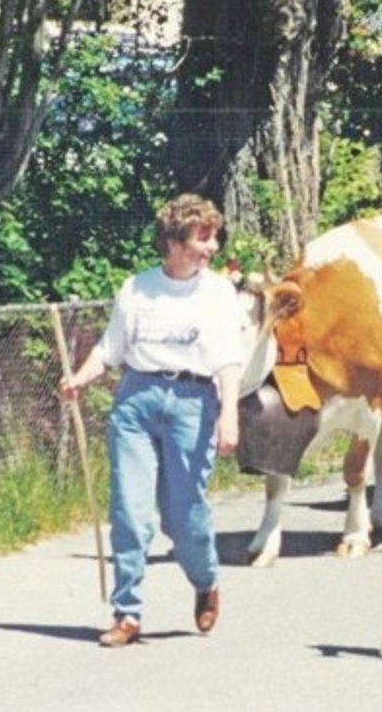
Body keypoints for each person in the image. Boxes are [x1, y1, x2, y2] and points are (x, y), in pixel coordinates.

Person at [60, 193, 244, 647]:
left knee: (183, 519)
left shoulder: (219, 291)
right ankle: (127, 612)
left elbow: (228, 360)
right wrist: (79, 378)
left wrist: (230, 417)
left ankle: (205, 580)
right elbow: (110, 349)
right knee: (130, 510)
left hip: (193, 402)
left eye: (213, 237)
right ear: (174, 241)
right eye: (203, 238)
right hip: (137, 399)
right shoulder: (136, 288)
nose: (212, 247)